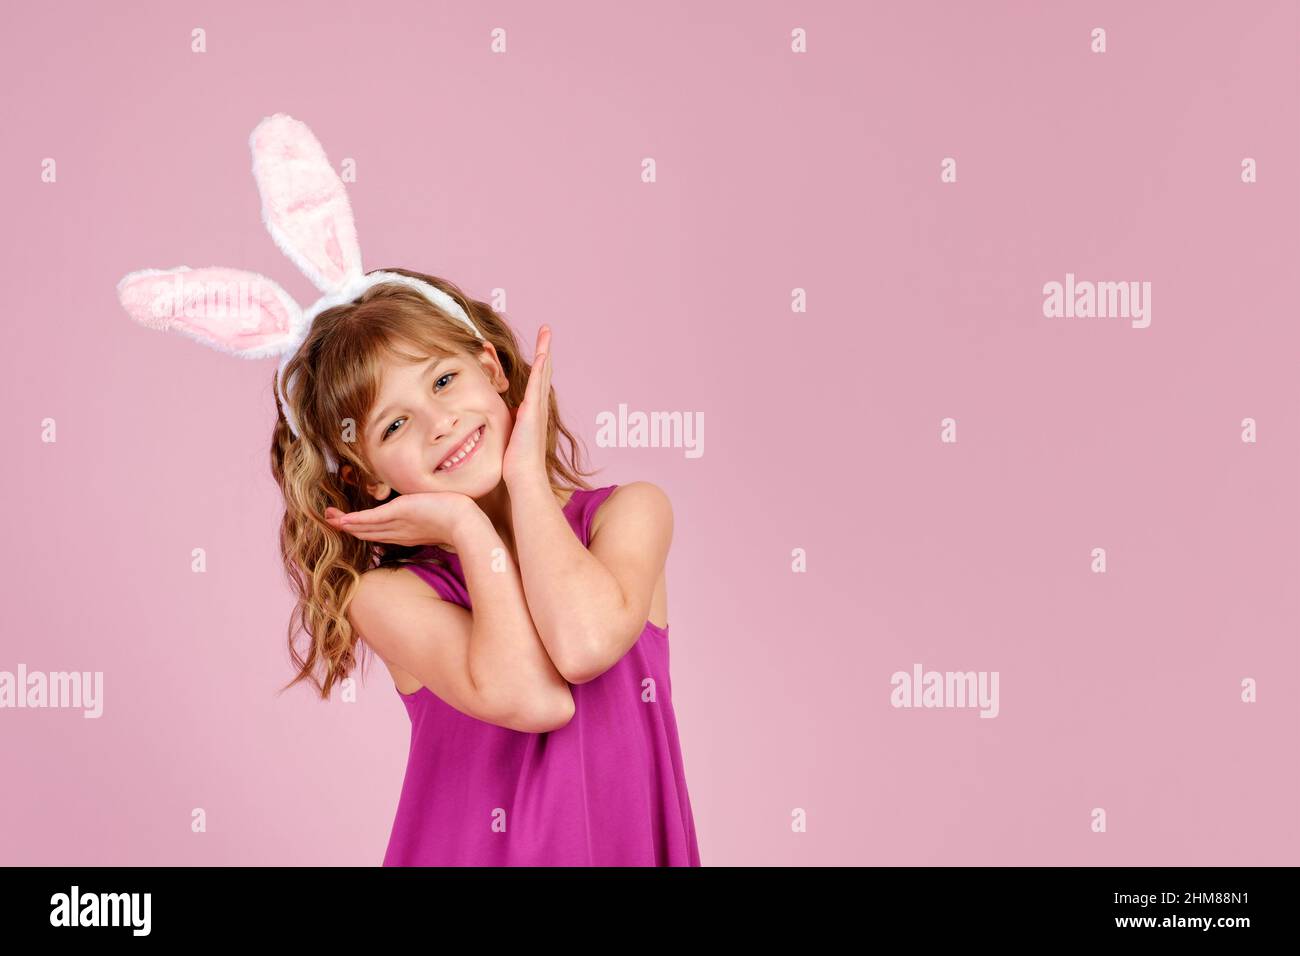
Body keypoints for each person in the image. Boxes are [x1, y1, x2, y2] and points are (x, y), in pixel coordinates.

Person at [117, 113, 700, 867]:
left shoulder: (630, 515)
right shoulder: (389, 597)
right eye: (395, 426)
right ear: (365, 476)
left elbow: (584, 645)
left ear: (494, 370)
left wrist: (524, 476)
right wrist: (469, 533)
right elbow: (537, 699)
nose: (438, 423)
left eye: (446, 380)